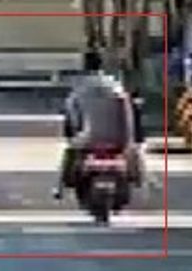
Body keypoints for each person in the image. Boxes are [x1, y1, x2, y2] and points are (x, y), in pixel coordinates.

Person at [54, 50, 142, 200]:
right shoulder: (115, 86)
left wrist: (72, 134)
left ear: (84, 66)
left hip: (89, 138)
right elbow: (128, 112)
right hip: (119, 138)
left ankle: (60, 189)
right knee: (135, 154)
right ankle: (141, 183)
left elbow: (72, 115)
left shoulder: (79, 89)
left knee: (70, 152)